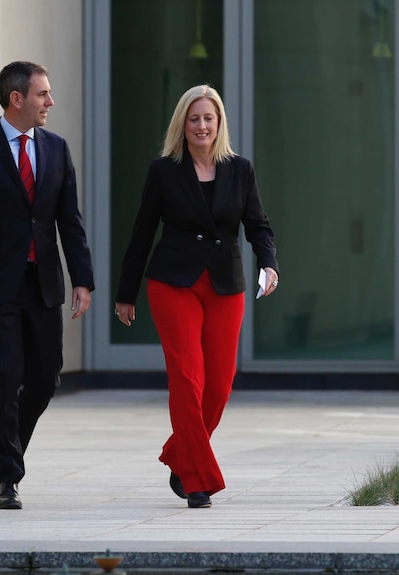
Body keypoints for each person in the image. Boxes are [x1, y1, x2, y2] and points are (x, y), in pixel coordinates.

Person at [114, 85, 279, 509]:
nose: (202, 125)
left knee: (219, 386)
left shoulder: (239, 170)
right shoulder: (164, 170)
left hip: (226, 284)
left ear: (219, 123)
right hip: (173, 283)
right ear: (182, 126)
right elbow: (142, 232)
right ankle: (198, 480)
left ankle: (178, 454)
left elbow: (258, 224)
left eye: (208, 118)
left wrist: (269, 263)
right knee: (188, 380)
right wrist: (125, 293)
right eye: (194, 119)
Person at [0, 61, 94, 510]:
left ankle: (11, 449)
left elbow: (70, 220)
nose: (50, 101)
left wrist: (82, 280)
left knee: (45, 380)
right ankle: (7, 475)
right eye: (43, 94)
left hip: (44, 283)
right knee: (6, 374)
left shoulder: (56, 148)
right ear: (17, 99)